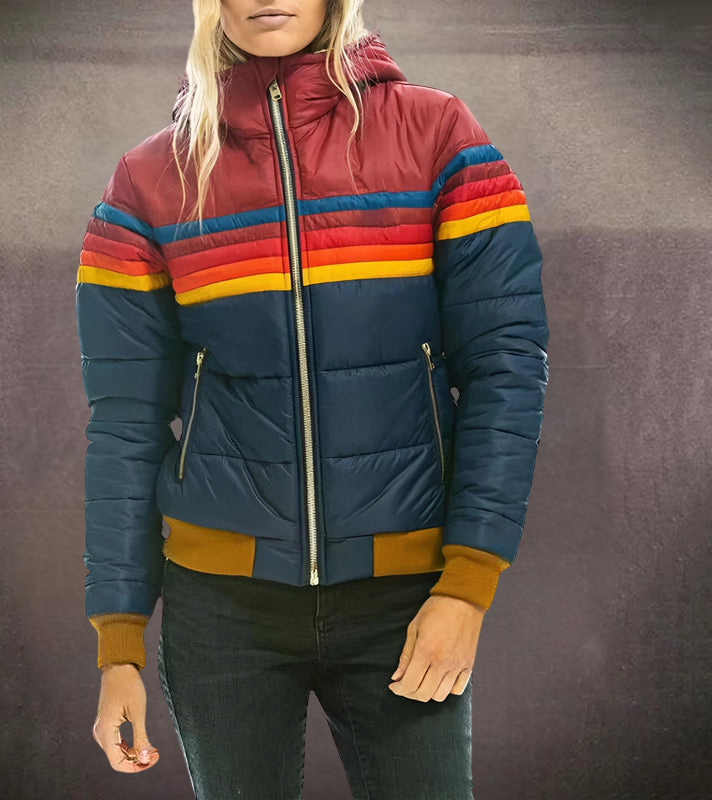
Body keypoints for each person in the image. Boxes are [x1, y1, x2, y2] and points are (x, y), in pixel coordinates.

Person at [76, 0, 549, 797]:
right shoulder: (151, 181)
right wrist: (118, 645)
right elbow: (124, 421)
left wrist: (468, 585)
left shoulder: (439, 136)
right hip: (222, 613)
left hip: (404, 596)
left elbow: (506, 364)